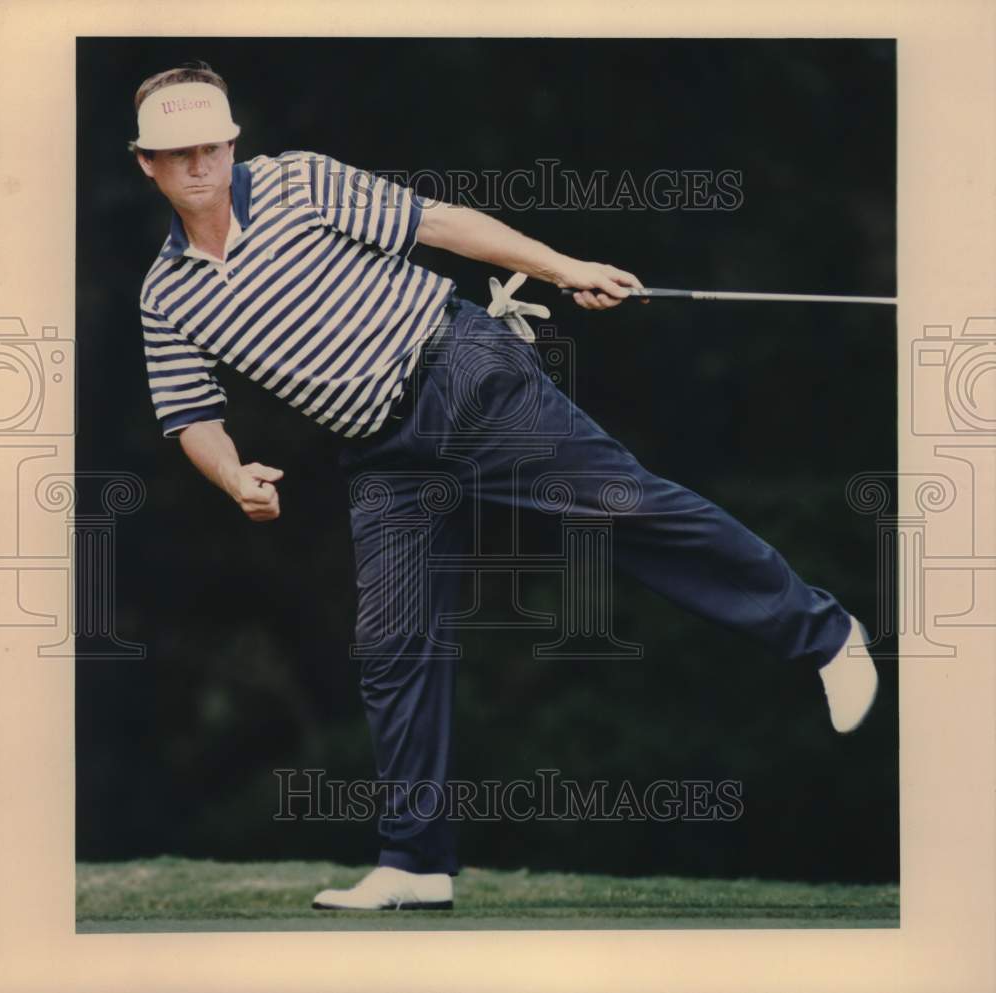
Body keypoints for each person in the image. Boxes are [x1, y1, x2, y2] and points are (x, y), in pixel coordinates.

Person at [132, 63, 879, 912]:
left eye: (210, 146)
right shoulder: (166, 294)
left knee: (621, 505)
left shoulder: (297, 181)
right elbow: (190, 412)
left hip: (457, 371)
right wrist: (233, 476)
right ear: (146, 164)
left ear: (232, 144)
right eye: (176, 152)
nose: (199, 165)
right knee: (393, 641)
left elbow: (441, 224)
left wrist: (563, 267)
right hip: (379, 450)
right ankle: (416, 861)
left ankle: (822, 632)